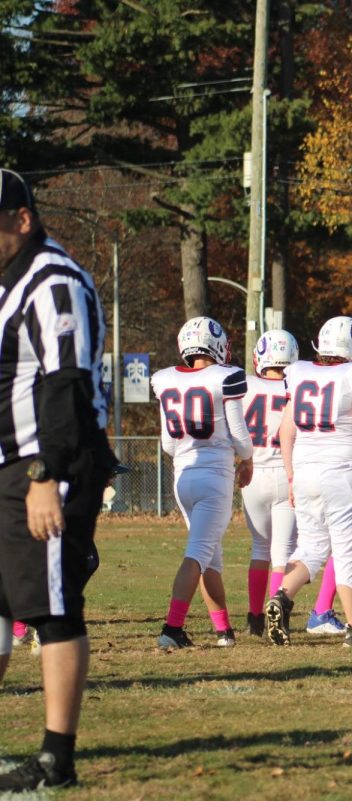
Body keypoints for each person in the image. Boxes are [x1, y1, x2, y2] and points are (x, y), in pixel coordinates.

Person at [0, 168, 114, 790]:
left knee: (52, 604)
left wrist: (47, 472)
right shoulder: (7, 283)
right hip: (6, 463)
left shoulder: (53, 281)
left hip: (44, 463)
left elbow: (64, 384)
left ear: (21, 219)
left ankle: (55, 756)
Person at [267, 316, 352, 647]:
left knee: (311, 547)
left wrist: (292, 476)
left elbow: (285, 431)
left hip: (305, 470)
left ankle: (282, 595)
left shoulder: (300, 373)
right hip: (343, 471)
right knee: (350, 550)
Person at [151, 317, 254, 649]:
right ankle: (172, 628)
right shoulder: (225, 377)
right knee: (198, 553)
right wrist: (248, 459)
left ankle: (224, 631)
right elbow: (240, 437)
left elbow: (168, 445)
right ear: (217, 345)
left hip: (182, 476)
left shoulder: (166, 379)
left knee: (211, 558)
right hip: (214, 477)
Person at [241, 329, 299, 636]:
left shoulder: (245, 386)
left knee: (259, 550)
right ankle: (276, 614)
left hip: (253, 475)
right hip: (286, 472)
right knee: (282, 555)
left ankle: (254, 618)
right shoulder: (299, 384)